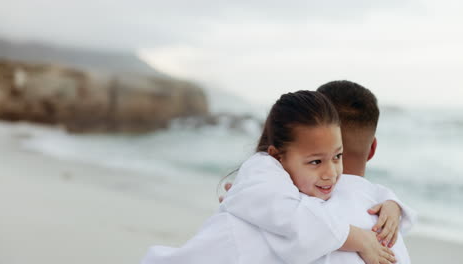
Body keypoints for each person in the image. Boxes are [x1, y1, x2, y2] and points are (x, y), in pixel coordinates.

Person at [141, 90, 414, 264]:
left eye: (337, 157)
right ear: (277, 156)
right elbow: (292, 219)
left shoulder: (368, 205)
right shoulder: (266, 192)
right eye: (316, 161)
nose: (331, 173)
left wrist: (392, 203)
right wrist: (359, 238)